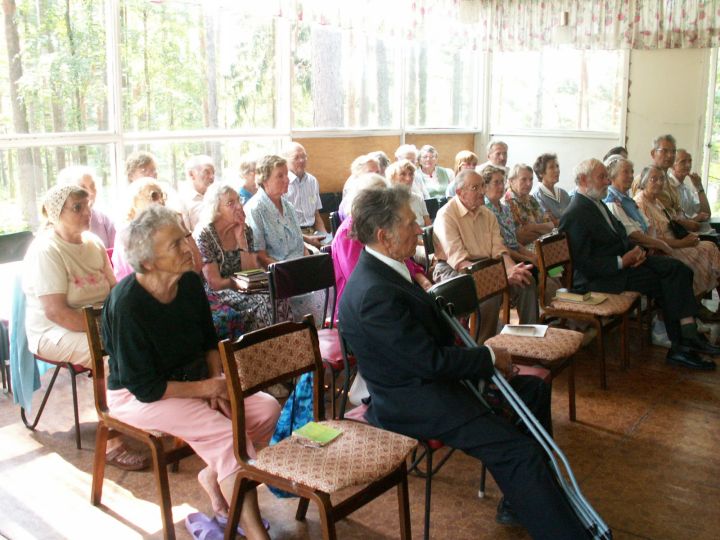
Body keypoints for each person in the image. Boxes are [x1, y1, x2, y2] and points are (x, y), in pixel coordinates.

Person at [338, 186, 588, 538]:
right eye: (410, 223)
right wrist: (489, 357)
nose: (419, 229)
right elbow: (429, 362)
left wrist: (482, 360)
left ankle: (523, 500)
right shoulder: (374, 292)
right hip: (414, 401)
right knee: (519, 451)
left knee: (532, 391)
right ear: (384, 236)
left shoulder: (387, 269)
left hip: (432, 381)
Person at [103, 205, 279, 538]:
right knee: (228, 437)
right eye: (175, 244)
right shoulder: (127, 305)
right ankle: (257, 533)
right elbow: (146, 387)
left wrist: (214, 380)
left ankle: (214, 475)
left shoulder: (188, 282)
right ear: (148, 262)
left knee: (266, 409)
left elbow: (209, 341)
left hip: (193, 380)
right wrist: (207, 390)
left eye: (184, 238)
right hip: (137, 396)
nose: (188, 247)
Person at [23, 184, 147, 470]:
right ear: (56, 213)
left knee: (146, 338)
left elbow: (115, 291)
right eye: (77, 207)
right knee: (109, 356)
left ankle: (143, 412)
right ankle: (112, 440)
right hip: (53, 331)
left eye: (87, 205)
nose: (86, 212)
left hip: (99, 323)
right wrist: (109, 334)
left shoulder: (93, 243)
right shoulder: (46, 250)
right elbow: (56, 312)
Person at [559, 158, 718, 371]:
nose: (607, 181)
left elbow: (621, 236)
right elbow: (584, 263)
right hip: (600, 279)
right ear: (583, 180)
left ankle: (688, 336)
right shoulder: (575, 212)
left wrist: (638, 253)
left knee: (679, 269)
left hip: (623, 266)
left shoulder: (596, 203)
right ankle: (682, 345)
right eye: (602, 177)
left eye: (606, 176)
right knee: (666, 280)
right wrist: (621, 261)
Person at [433, 169, 538, 343]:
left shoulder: (487, 214)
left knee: (525, 279)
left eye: (482, 185)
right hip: (453, 271)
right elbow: (460, 263)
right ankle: (484, 347)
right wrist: (499, 277)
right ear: (460, 192)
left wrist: (512, 269)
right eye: (475, 188)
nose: (482, 191)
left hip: (486, 266)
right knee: (490, 292)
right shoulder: (446, 215)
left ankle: (530, 340)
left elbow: (500, 251)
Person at [331, 173, 431, 319]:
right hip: (366, 309)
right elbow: (364, 280)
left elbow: (401, 259)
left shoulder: (386, 228)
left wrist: (421, 279)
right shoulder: (348, 233)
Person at [194, 183, 279, 334]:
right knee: (264, 302)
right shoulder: (205, 235)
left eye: (239, 200)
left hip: (244, 286)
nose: (239, 206)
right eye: (230, 203)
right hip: (219, 293)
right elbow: (215, 283)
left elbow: (251, 272)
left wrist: (241, 240)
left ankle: (285, 343)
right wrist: (240, 283)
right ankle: (260, 346)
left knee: (278, 297)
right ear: (216, 209)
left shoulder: (245, 230)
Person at [633, 165, 720, 298]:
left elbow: (672, 222)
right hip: (662, 250)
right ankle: (694, 299)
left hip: (675, 242)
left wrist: (687, 235)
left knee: (711, 246)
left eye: (662, 179)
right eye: (654, 179)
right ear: (644, 182)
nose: (659, 182)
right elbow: (650, 239)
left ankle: (697, 298)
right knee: (709, 249)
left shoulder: (656, 201)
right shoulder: (640, 203)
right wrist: (683, 243)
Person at [244, 155, 307, 269]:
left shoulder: (289, 207)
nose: (287, 180)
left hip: (300, 267)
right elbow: (261, 256)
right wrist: (288, 272)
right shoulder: (255, 209)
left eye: (286, 174)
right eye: (280, 176)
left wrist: (309, 264)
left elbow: (301, 246)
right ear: (265, 180)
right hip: (279, 272)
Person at [483, 166, 537, 267]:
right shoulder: (484, 211)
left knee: (544, 260)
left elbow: (514, 242)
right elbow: (501, 247)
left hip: (517, 254)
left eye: (502, 182)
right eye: (496, 183)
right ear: (485, 186)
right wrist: (527, 259)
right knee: (534, 268)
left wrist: (532, 256)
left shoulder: (505, 208)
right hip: (502, 259)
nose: (501, 186)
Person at [58, 165, 116, 248]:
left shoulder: (104, 219)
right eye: (82, 188)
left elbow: (115, 251)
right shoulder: (59, 226)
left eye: (92, 186)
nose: (90, 192)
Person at [284, 142, 328, 249]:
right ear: (285, 161)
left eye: (304, 156)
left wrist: (326, 238)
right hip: (293, 236)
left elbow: (316, 215)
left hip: (313, 232)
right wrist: (307, 240)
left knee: (332, 249)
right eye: (296, 157)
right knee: (314, 254)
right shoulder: (283, 183)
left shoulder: (312, 181)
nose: (301, 160)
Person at [504, 164, 555, 247]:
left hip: (544, 245)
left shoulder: (531, 199)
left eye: (531, 179)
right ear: (511, 181)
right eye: (523, 179)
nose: (529, 184)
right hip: (527, 250)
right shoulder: (507, 203)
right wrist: (542, 230)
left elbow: (551, 225)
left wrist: (533, 227)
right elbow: (521, 237)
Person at [669, 149, 713, 233]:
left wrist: (699, 187)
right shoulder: (667, 186)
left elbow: (706, 213)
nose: (688, 165)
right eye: (683, 162)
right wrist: (696, 219)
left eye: (690, 161)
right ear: (672, 166)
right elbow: (671, 222)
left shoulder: (686, 189)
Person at [385, 160, 431, 228]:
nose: (408, 179)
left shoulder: (418, 199)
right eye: (403, 174)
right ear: (392, 177)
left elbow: (428, 226)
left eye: (411, 174)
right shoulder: (386, 201)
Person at [531, 153, 571, 224]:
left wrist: (558, 220)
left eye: (557, 166)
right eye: (551, 167)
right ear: (541, 173)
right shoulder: (536, 196)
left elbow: (574, 215)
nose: (557, 170)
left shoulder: (563, 193)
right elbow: (549, 223)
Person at [180, 154, 215, 232]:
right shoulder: (183, 202)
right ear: (191, 174)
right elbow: (186, 235)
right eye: (207, 172)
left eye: (213, 173)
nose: (212, 177)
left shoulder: (217, 196)